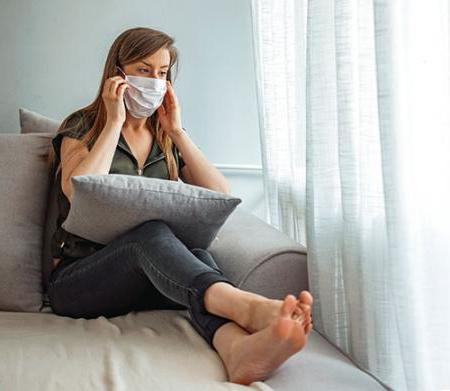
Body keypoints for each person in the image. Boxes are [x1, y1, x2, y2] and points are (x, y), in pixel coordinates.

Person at [46, 26, 314, 385]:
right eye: (143, 70)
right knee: (150, 234)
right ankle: (246, 306)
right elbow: (76, 191)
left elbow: (221, 194)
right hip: (79, 281)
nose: (154, 81)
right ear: (118, 72)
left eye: (162, 73)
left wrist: (176, 132)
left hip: (148, 282)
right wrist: (114, 123)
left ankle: (237, 351)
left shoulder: (163, 138)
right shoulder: (83, 124)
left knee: (199, 256)